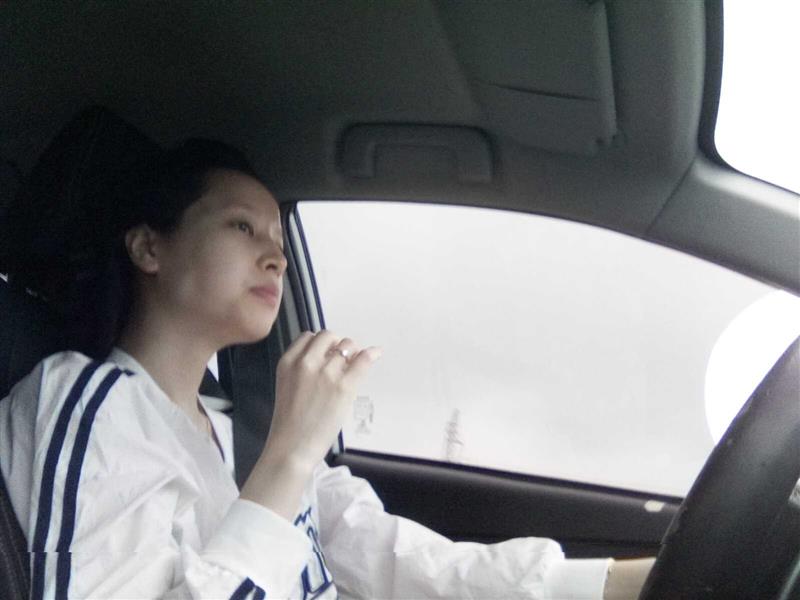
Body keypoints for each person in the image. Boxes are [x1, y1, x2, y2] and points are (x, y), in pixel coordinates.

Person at [0, 140, 653, 599]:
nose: (276, 258)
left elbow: (403, 561)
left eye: (279, 242)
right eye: (242, 227)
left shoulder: (245, 431)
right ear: (149, 247)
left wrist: (612, 585)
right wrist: (289, 454)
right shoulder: (87, 403)